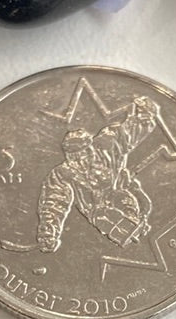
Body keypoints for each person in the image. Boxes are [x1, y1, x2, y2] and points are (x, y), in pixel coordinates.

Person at [36, 95, 160, 253]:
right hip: (95, 208)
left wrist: (145, 114)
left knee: (122, 198)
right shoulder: (63, 173)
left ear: (90, 146)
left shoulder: (108, 145)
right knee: (103, 216)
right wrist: (49, 230)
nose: (80, 159)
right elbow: (53, 201)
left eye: (83, 152)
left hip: (121, 191)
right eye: (74, 156)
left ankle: (133, 218)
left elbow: (130, 132)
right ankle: (119, 223)